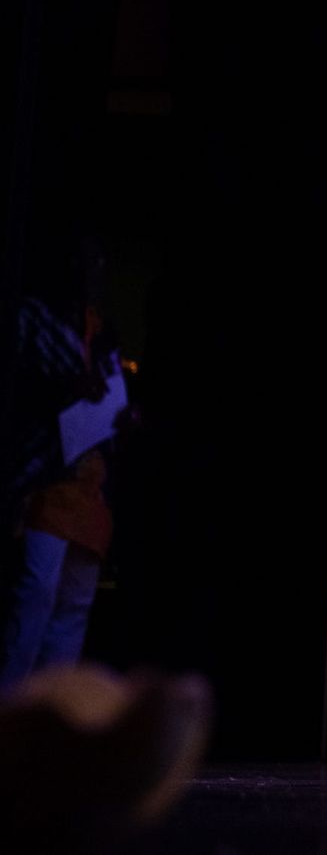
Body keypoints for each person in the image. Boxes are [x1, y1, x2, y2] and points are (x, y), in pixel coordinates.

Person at [1, 229, 122, 688]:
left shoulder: (98, 332)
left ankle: (49, 721)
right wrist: (64, 393)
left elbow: (107, 402)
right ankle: (13, 715)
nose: (90, 275)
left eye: (96, 266)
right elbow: (19, 388)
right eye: (82, 264)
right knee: (33, 602)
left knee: (71, 610)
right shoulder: (35, 318)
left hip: (88, 487)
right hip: (45, 481)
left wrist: (121, 417)